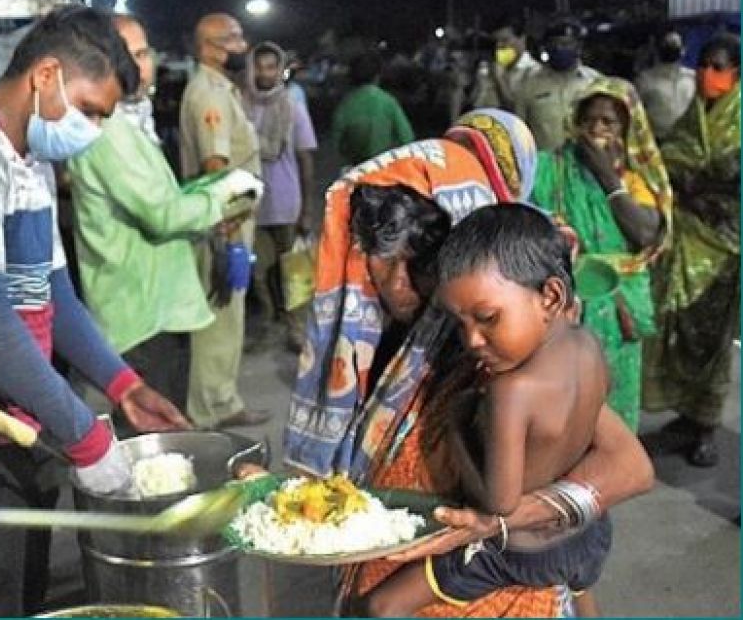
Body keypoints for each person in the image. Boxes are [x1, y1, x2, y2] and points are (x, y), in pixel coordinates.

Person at [0, 5, 191, 617]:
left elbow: (52, 293)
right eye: (91, 109)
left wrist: (123, 385)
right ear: (45, 75)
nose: (94, 129)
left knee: (26, 595)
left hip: (19, 421)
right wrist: (86, 437)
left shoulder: (28, 160)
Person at [284, 109, 654, 617]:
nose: (397, 286)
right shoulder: (371, 343)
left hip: (486, 582)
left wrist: (500, 522)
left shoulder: (500, 354)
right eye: (380, 260)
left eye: (418, 262)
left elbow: (628, 466)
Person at [365, 203, 627, 616]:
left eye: (487, 318)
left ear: (551, 296)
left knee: (381, 605)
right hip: (588, 537)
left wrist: (456, 427)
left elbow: (499, 505)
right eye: (459, 322)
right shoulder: (588, 346)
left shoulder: (509, 390)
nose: (472, 340)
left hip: (516, 552)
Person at [65, 14, 260, 414]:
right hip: (141, 317)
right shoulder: (109, 131)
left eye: (143, 52)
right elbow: (163, 212)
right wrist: (225, 194)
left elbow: (160, 195)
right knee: (157, 451)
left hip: (155, 308)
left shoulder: (130, 120)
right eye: (128, 54)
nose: (142, 65)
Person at [530, 77, 671, 431]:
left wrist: (607, 176)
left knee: (615, 390)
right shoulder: (554, 167)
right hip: (570, 300)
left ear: (627, 127)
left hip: (620, 302)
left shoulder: (638, 175)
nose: (596, 129)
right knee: (567, 394)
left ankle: (613, 460)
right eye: (588, 119)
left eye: (608, 122)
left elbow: (644, 233)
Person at [643, 33, 741, 467]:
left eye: (718, 66)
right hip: (686, 238)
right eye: (703, 64)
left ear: (737, 72)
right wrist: (690, 186)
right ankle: (685, 415)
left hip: (727, 245)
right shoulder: (694, 114)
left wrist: (705, 187)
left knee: (714, 340)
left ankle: (706, 425)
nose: (708, 74)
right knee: (679, 328)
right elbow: (670, 159)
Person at [178, 12, 272, 429]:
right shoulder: (209, 94)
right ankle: (210, 409)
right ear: (210, 48)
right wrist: (229, 223)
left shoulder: (221, 89)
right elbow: (214, 164)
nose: (242, 46)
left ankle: (223, 399)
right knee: (218, 316)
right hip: (223, 222)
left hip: (231, 217)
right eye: (233, 39)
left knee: (229, 314)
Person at [243, 41, 318, 351]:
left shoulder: (292, 107)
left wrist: (307, 209)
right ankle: (269, 321)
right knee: (259, 272)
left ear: (280, 70)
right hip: (252, 204)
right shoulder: (240, 106)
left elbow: (305, 158)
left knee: (295, 272)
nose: (264, 73)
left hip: (287, 203)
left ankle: (296, 328)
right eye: (259, 66)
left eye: (271, 66)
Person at [516, 18, 602, 151]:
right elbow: (519, 131)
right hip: (545, 165)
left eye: (566, 43)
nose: (559, 48)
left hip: (587, 165)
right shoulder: (528, 84)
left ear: (578, 46)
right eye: (554, 44)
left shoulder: (595, 82)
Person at [328, 48, 415, 168]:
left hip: (357, 168)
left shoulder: (345, 105)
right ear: (377, 76)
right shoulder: (388, 101)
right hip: (385, 167)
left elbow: (338, 145)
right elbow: (407, 138)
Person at [635, 30, 697, 141]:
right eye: (667, 44)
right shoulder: (644, 80)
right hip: (658, 140)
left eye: (674, 44)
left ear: (683, 50)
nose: (671, 47)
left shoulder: (693, 77)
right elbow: (637, 114)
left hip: (688, 140)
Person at [471, 18, 542, 112]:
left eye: (505, 40)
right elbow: (474, 104)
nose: (499, 46)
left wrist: (500, 79)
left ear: (522, 39)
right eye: (495, 42)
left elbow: (518, 110)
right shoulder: (487, 67)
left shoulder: (534, 71)